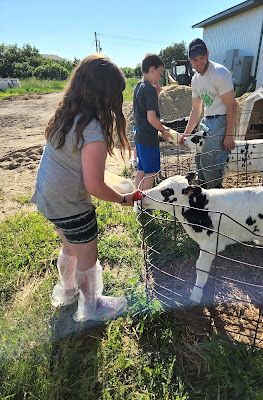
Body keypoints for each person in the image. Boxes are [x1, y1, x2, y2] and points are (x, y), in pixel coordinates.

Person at [31, 54, 138, 323]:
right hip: (71, 204)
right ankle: (91, 306)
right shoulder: (92, 130)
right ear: (106, 95)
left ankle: (66, 292)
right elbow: (94, 185)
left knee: (69, 246)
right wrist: (124, 199)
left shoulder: (66, 116)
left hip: (48, 197)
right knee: (88, 259)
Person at [182, 38, 237, 188]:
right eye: (195, 60)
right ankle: (204, 192)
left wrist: (229, 134)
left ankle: (216, 194)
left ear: (207, 54)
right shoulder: (195, 79)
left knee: (209, 161)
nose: (199, 62)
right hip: (207, 121)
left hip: (221, 119)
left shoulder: (219, 73)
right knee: (199, 159)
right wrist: (186, 134)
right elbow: (196, 109)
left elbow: (232, 106)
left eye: (202, 58)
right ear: (190, 60)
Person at [133, 53, 173, 191]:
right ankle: (143, 202)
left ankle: (136, 197)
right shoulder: (149, 89)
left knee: (142, 170)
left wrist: (156, 94)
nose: (160, 77)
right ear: (152, 69)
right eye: (160, 73)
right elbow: (151, 118)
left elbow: (143, 111)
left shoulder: (138, 86)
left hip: (139, 136)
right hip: (149, 139)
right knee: (152, 172)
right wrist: (163, 130)